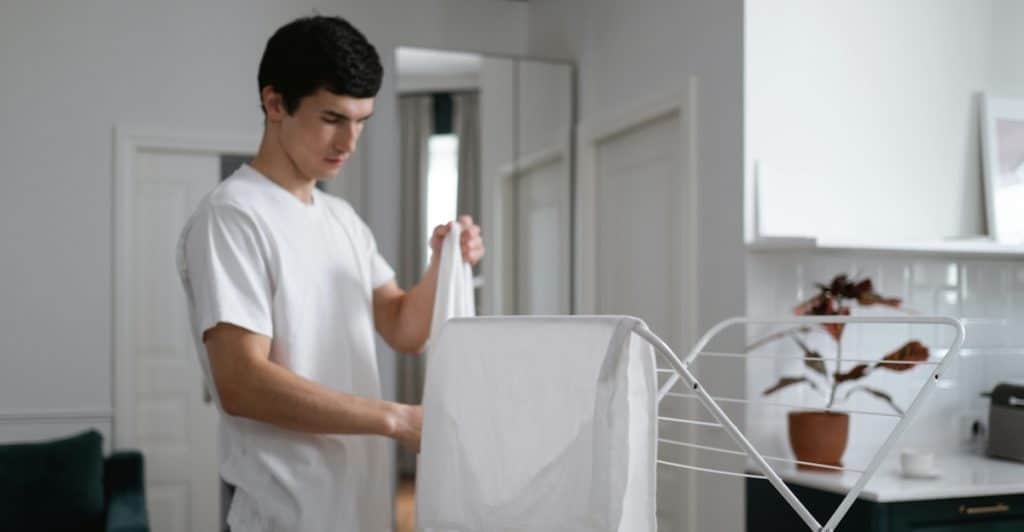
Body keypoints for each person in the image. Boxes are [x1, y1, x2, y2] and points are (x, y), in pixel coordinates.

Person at [175, 15, 484, 531]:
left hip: (360, 512)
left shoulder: (341, 219)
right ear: (275, 104)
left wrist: (442, 261)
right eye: (333, 118)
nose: (350, 141)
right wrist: (398, 419)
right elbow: (241, 382)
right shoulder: (232, 216)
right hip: (285, 517)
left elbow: (404, 327)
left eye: (361, 120)